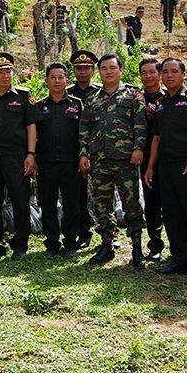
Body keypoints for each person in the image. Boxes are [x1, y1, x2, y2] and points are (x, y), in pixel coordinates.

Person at [145, 58, 187, 281]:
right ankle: (180, 261)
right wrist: (151, 167)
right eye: (165, 72)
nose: (169, 75)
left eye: (174, 71)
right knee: (172, 214)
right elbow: (156, 138)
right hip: (166, 166)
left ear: (183, 74)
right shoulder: (161, 103)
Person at [79, 55, 147, 268]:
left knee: (131, 204)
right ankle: (107, 245)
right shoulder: (92, 98)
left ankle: (137, 248)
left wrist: (138, 148)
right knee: (102, 203)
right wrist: (83, 154)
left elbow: (141, 123)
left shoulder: (133, 94)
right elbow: (84, 129)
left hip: (125, 159)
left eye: (112, 68)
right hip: (100, 159)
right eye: (104, 68)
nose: (108, 72)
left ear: (121, 70)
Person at [0, 52, 42, 261]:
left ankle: (20, 245)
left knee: (20, 201)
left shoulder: (23, 96)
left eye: (8, 72)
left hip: (16, 157)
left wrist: (31, 154)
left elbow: (32, 127)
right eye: (0, 73)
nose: (5, 76)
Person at [35, 62, 84, 258]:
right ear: (46, 80)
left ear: (66, 79)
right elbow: (33, 134)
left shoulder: (76, 104)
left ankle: (71, 242)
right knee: (47, 203)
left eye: (61, 77)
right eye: (53, 77)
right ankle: (51, 243)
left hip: (71, 163)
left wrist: (83, 156)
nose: (57, 80)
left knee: (72, 204)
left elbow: (84, 133)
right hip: (45, 163)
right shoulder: (39, 106)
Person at [67, 50, 100, 249]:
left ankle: (109, 233)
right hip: (76, 153)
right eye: (78, 68)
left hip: (100, 150)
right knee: (79, 195)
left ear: (93, 70)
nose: (82, 72)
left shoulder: (99, 92)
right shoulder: (68, 93)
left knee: (103, 193)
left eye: (86, 68)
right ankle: (84, 232)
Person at [139, 58, 165, 262]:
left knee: (175, 204)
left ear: (160, 73)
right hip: (146, 157)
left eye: (152, 72)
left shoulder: (170, 96)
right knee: (152, 203)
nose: (148, 76)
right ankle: (155, 244)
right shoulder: (135, 99)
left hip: (171, 157)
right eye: (144, 73)